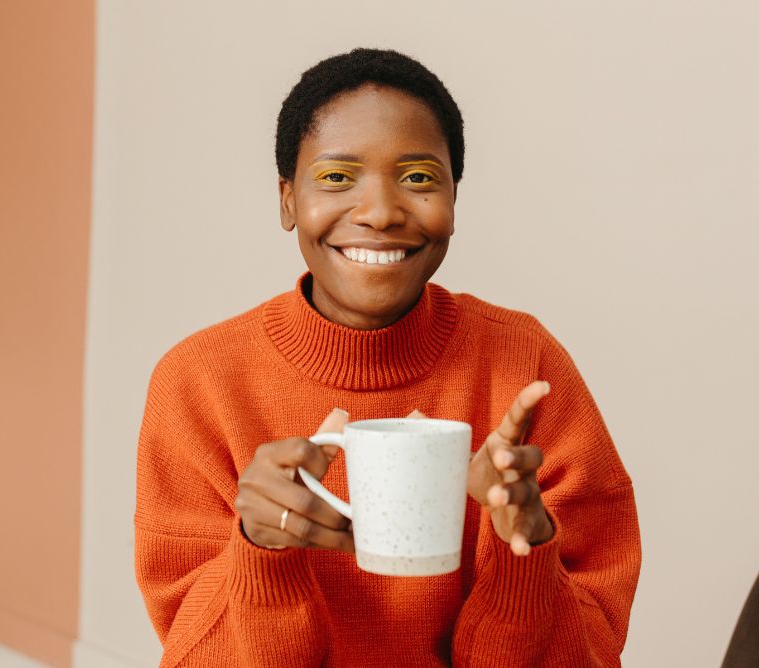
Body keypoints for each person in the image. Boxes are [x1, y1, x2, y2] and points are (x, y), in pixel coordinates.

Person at [134, 48, 640, 667]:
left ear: (455, 195)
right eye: (337, 178)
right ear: (288, 199)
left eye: (420, 177)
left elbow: (591, 654)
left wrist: (521, 554)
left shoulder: (526, 363)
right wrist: (259, 550)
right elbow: (190, 653)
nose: (379, 212)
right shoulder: (199, 382)